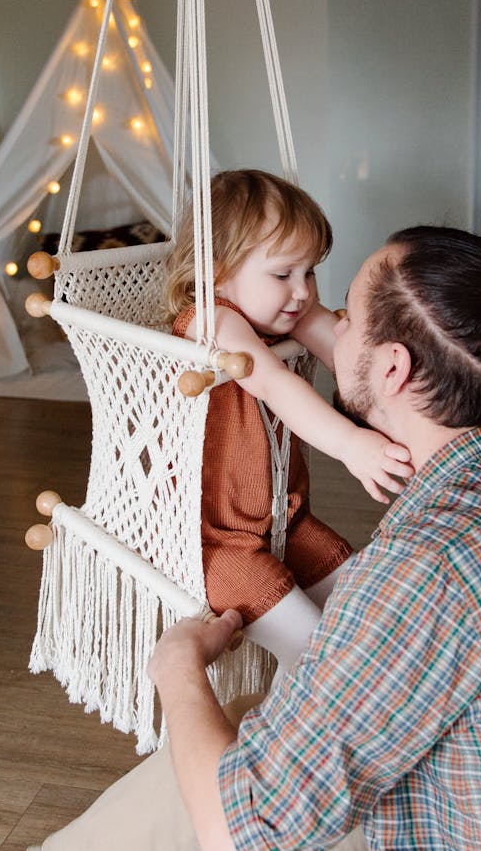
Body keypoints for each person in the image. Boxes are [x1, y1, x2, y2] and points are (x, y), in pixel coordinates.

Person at [145, 225, 481, 850]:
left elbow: (239, 833)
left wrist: (174, 667)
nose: (321, 316)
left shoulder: (420, 572)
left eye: (347, 316)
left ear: (392, 367)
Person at [165, 169, 412, 671]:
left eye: (310, 272)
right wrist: (351, 444)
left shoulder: (285, 309)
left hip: (285, 522)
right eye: (282, 274)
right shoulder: (210, 319)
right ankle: (296, 738)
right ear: (216, 270)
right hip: (215, 545)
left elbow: (348, 357)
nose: (301, 292)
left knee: (370, 611)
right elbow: (274, 383)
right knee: (314, 648)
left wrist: (408, 427)